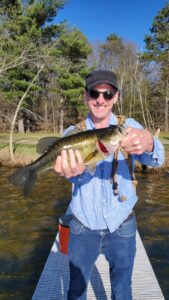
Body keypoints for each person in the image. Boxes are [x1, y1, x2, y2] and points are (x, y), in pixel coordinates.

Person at [55, 70, 164, 300]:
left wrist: (149, 142)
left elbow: (158, 158)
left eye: (107, 94)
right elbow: (74, 177)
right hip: (83, 225)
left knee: (122, 290)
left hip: (122, 224)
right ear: (86, 96)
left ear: (115, 97)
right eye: (95, 93)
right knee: (76, 290)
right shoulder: (72, 134)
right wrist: (73, 173)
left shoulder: (128, 126)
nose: (100, 99)